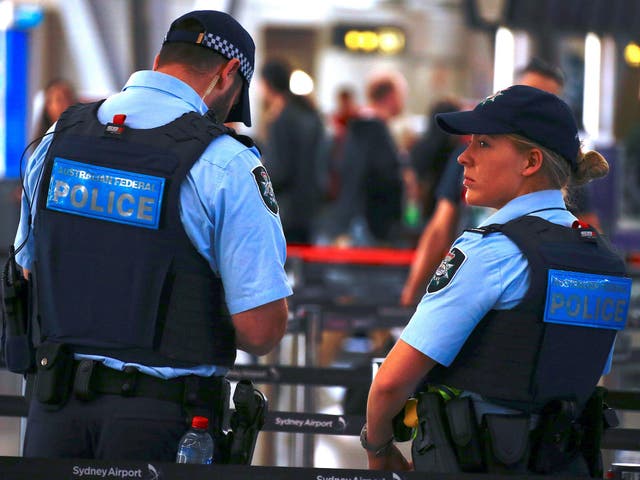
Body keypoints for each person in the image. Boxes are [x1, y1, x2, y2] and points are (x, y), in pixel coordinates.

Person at [11, 10, 292, 462]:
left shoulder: (56, 138)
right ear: (228, 74)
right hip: (162, 426)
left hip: (53, 413)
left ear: (160, 58)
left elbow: (27, 268)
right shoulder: (227, 164)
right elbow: (260, 330)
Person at [363, 85, 630, 476]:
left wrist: (378, 446)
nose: (464, 156)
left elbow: (390, 383)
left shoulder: (490, 253)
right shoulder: (602, 260)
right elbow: (582, 374)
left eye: (484, 143)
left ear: (530, 161)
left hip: (478, 462)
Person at [400, 59, 570, 306]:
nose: (466, 157)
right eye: (525, 93)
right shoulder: (474, 254)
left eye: (484, 144)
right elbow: (439, 227)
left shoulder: (562, 175)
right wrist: (412, 292)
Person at [330, 70, 407, 246]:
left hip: (358, 223)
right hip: (368, 228)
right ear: (391, 96)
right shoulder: (372, 130)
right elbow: (380, 177)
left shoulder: (359, 128)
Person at [259, 58, 327, 244]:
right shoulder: (309, 113)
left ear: (267, 84)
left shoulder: (281, 120)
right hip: (310, 210)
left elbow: (279, 171)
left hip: (287, 213)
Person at [33, 78, 78, 142]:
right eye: (59, 99)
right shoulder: (42, 143)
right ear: (48, 105)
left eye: (68, 97)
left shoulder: (83, 135)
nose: (66, 103)